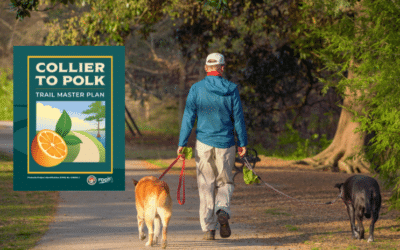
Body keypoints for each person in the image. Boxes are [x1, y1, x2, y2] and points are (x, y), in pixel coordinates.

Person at [177, 52, 248, 240]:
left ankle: (209, 229)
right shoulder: (232, 89)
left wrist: (182, 143)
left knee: (205, 185)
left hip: (203, 145)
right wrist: (242, 143)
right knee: (225, 182)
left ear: (206, 68)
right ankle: (222, 209)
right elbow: (238, 119)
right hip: (226, 144)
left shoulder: (196, 89)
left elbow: (188, 118)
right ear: (222, 68)